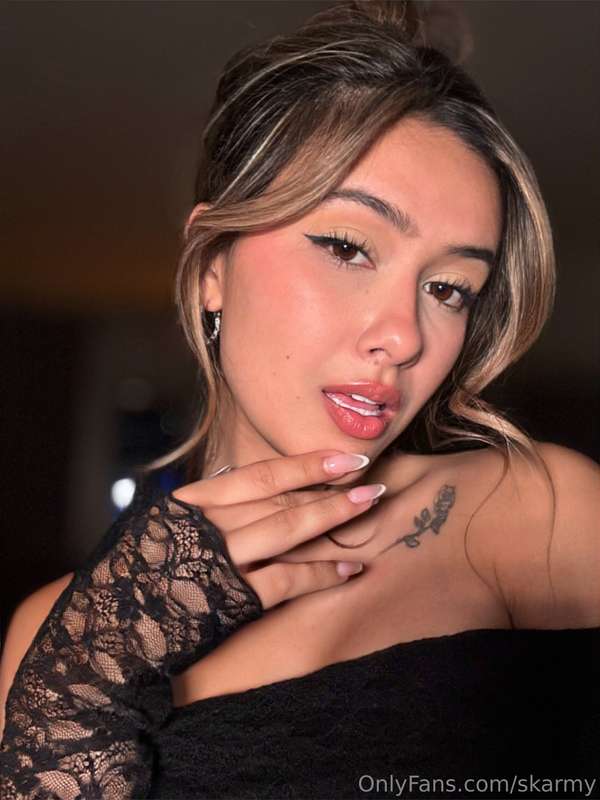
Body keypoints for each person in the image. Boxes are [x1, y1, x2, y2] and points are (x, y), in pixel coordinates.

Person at [1, 1, 598, 798]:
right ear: (212, 266)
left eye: (449, 288)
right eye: (348, 247)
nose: (404, 336)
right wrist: (84, 683)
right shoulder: (63, 634)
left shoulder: (531, 514)